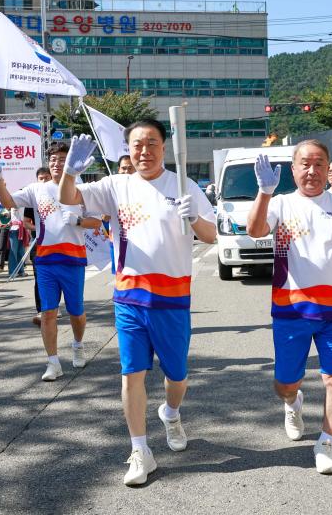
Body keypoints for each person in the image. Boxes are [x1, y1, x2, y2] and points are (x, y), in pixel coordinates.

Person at [58, 121, 216, 486]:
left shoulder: (184, 185)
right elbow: (69, 198)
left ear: (164, 147)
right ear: (127, 150)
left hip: (173, 298)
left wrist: (193, 216)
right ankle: (140, 450)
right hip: (129, 296)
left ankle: (171, 413)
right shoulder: (116, 185)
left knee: (177, 376)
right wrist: (70, 172)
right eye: (137, 145)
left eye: (152, 143)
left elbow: (210, 234)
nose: (144, 151)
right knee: (132, 374)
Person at [247, 140, 332, 475]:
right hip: (291, 309)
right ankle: (293, 402)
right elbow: (255, 229)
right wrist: (263, 192)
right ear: (293, 169)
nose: (312, 171)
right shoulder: (281, 203)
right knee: (285, 383)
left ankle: (326, 442)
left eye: (319, 164)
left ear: (328, 169)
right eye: (305, 163)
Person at [0, 143, 101, 381]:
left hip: (73, 259)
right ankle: (53, 362)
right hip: (46, 260)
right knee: (47, 313)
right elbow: (9, 203)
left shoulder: (83, 189)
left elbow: (97, 222)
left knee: (76, 311)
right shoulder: (37, 189)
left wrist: (78, 221)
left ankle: (78, 345)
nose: (56, 163)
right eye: (53, 159)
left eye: (62, 159)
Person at [24, 167, 52, 327]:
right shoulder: (32, 199)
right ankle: (41, 310)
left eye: (46, 177)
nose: (44, 181)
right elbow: (26, 222)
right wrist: (39, 228)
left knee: (55, 278)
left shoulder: (61, 195)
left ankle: (52, 307)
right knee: (39, 278)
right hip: (39, 245)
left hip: (58, 246)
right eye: (41, 178)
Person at [8, 207, 28, 277]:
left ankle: (21, 270)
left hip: (22, 229)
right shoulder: (14, 203)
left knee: (21, 252)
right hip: (14, 229)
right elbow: (15, 208)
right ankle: (12, 272)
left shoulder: (24, 204)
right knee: (13, 252)